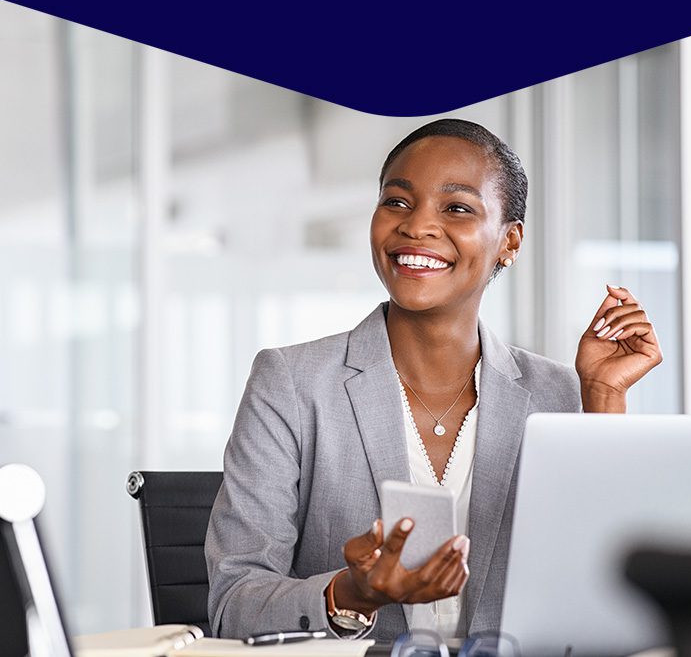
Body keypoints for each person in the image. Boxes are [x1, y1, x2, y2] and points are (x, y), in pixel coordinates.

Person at [204, 119, 662, 642]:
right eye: (397, 202)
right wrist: (352, 595)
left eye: (457, 208)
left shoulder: (559, 395)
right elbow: (232, 602)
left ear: (509, 241)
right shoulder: (290, 383)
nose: (417, 226)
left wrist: (602, 398)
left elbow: (608, 593)